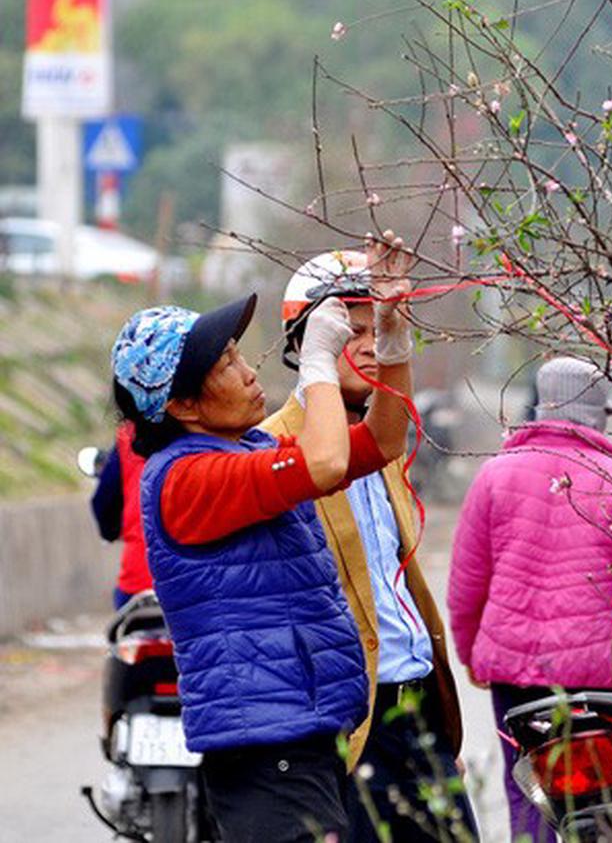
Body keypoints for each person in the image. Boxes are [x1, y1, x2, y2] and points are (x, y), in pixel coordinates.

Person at [110, 233, 414, 842]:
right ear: (183, 405)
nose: (250, 372)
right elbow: (326, 462)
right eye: (226, 365)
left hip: (301, 734)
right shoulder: (187, 478)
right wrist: (319, 362)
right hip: (265, 747)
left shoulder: (248, 449)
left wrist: (392, 337)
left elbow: (382, 441)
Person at [263, 244, 476, 842]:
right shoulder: (271, 451)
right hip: (349, 722)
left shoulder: (384, 448)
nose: (367, 346)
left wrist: (437, 737)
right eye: (349, 331)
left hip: (418, 714)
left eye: (376, 330)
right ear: (305, 341)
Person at [447, 356, 612, 842]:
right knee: (604, 797)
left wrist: (471, 654)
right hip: (597, 682)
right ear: (597, 413)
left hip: (514, 672)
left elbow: (467, 583)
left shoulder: (495, 474)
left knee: (528, 792)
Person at [90, 421, 150, 609]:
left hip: (141, 578)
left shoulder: (130, 434)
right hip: (213, 585)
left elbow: (103, 499)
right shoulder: (218, 429)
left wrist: (111, 532)